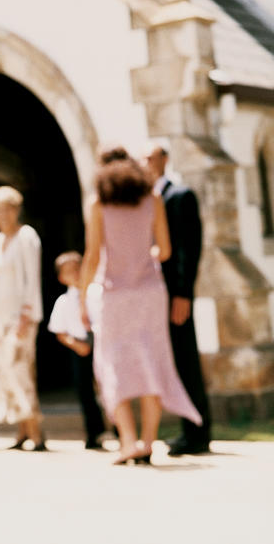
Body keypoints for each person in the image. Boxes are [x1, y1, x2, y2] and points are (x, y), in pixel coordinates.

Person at [79, 146, 202, 465]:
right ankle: (148, 443)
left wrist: (82, 298)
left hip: (114, 293)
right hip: (150, 292)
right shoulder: (153, 199)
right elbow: (164, 250)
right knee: (152, 362)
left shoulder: (98, 204)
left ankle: (128, 442)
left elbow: (93, 256)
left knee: (112, 363)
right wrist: (141, 257)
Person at [143, 142, 212, 456]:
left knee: (186, 361)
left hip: (175, 294)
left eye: (151, 157)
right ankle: (187, 430)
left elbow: (189, 250)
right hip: (153, 294)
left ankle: (198, 434)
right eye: (142, 159)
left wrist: (183, 294)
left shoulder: (180, 196)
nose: (146, 163)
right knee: (171, 362)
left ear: (164, 160)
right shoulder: (146, 201)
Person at [0, 186, 46, 451]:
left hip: (19, 316)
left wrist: (26, 316)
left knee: (22, 371)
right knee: (5, 373)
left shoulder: (26, 237)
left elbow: (31, 279)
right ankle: (23, 431)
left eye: (6, 209)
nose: (2, 215)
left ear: (16, 209)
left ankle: (36, 431)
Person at [47, 251, 105, 450]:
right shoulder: (63, 301)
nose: (75, 273)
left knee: (106, 388)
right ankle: (93, 432)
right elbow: (59, 331)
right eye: (69, 271)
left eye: (78, 267)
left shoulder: (97, 292)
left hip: (101, 343)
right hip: (79, 346)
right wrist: (75, 344)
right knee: (85, 392)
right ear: (62, 277)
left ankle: (117, 428)